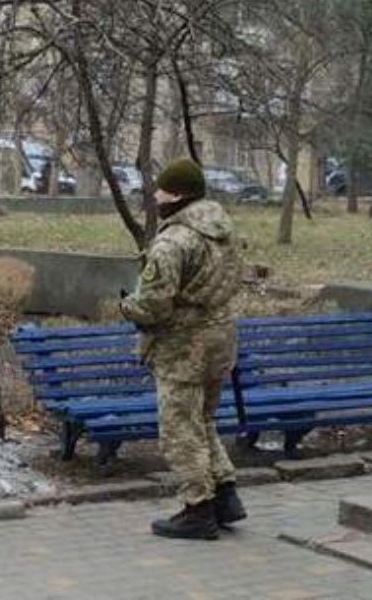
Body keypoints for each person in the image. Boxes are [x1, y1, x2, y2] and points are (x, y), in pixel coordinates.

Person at [119, 157, 245, 540]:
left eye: (161, 191)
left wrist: (127, 306)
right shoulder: (224, 230)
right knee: (203, 421)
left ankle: (197, 509)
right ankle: (225, 495)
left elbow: (154, 304)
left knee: (179, 429)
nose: (156, 198)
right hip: (220, 340)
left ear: (177, 195)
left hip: (182, 348)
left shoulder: (174, 240)